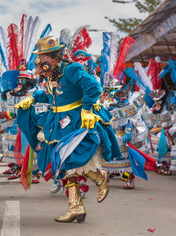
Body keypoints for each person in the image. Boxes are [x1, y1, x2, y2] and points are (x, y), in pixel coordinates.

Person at [15, 36, 121, 223]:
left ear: (53, 60)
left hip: (75, 121)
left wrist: (87, 108)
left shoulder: (71, 69)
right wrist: (33, 98)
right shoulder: (52, 75)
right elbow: (50, 95)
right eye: (39, 59)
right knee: (65, 167)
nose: (39, 63)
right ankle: (76, 207)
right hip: (57, 123)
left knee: (71, 159)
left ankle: (99, 177)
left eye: (42, 59)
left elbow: (94, 87)